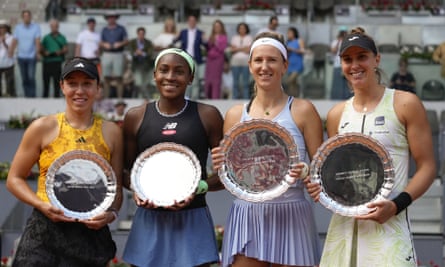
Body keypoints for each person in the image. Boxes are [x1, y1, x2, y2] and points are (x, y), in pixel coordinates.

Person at [305, 27, 436, 267]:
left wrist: (397, 205)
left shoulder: (405, 103)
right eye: (347, 59)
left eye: (361, 57)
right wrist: (322, 187)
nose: (354, 65)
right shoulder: (336, 115)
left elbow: (427, 166)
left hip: (390, 226)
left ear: (377, 59)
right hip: (343, 230)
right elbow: (338, 176)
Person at [211, 32, 323, 267]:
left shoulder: (303, 110)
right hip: (247, 215)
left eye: (272, 60)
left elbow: (321, 172)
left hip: (292, 214)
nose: (265, 66)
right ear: (250, 66)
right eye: (258, 60)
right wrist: (223, 167)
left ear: (285, 65)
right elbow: (233, 179)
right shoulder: (234, 115)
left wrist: (307, 172)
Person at [6, 57, 123, 266]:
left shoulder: (112, 132)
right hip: (44, 232)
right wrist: (41, 205)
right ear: (62, 86)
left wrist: (111, 214)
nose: (79, 91)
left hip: (90, 237)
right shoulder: (42, 127)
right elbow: (14, 178)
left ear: (98, 88)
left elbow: (116, 190)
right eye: (72, 83)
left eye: (87, 83)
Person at [121, 48, 224, 267]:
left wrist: (199, 187)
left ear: (190, 78)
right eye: (164, 70)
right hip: (149, 219)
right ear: (154, 75)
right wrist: (139, 190)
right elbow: (125, 172)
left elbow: (228, 175)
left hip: (193, 218)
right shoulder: (134, 116)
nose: (170, 77)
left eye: (179, 71)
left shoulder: (209, 115)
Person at [171, 15, 207, 100]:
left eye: (193, 21)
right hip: (185, 58)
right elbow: (174, 41)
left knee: (195, 79)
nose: (192, 23)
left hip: (196, 58)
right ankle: (186, 97)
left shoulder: (200, 33)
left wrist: (205, 40)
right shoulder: (183, 32)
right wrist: (176, 36)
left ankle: (194, 98)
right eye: (190, 21)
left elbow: (205, 45)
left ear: (196, 22)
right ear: (188, 22)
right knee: (185, 78)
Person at [11, 10, 41, 97]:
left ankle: (32, 96)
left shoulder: (36, 27)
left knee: (31, 77)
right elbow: (15, 40)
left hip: (31, 57)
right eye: (25, 16)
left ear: (30, 17)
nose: (27, 18)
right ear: (22, 17)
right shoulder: (18, 28)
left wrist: (38, 52)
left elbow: (37, 41)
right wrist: (11, 51)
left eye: (28, 16)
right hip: (21, 56)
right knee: (24, 78)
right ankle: (27, 96)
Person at [100, 11, 128, 98]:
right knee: (106, 77)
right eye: (109, 17)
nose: (111, 19)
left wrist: (120, 44)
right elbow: (100, 42)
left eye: (113, 17)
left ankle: (120, 98)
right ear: (107, 19)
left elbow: (126, 40)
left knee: (119, 77)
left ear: (116, 18)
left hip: (118, 53)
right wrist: (104, 44)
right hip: (107, 53)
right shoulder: (104, 30)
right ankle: (106, 97)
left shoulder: (121, 28)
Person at [40, 18, 68, 98]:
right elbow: (41, 48)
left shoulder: (62, 37)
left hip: (57, 61)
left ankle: (56, 98)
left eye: (55, 26)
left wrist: (60, 52)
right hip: (47, 61)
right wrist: (45, 52)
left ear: (58, 27)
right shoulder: (46, 37)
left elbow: (66, 49)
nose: (54, 28)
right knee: (46, 82)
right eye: (52, 26)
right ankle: (44, 98)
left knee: (57, 82)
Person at [128, 27, 155, 99]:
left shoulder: (148, 42)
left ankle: (144, 97)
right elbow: (130, 51)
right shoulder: (132, 42)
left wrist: (142, 53)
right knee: (138, 83)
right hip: (136, 65)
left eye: (142, 34)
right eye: (139, 34)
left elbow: (150, 53)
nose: (141, 35)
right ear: (137, 34)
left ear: (144, 34)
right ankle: (142, 96)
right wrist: (136, 53)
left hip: (146, 66)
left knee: (145, 83)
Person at [204, 19, 227, 99]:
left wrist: (215, 43)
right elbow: (208, 48)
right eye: (215, 26)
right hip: (210, 60)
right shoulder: (211, 36)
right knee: (208, 79)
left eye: (218, 26)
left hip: (218, 60)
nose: (217, 28)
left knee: (216, 81)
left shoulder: (224, 37)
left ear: (221, 27)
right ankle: (207, 97)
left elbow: (222, 49)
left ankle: (215, 98)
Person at [229, 22, 252, 99]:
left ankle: (246, 98)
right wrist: (243, 48)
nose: (242, 30)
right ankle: (234, 98)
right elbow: (232, 50)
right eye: (240, 28)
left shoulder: (249, 38)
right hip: (235, 62)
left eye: (243, 28)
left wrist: (237, 48)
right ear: (238, 29)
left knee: (245, 82)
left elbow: (249, 50)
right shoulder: (234, 37)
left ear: (246, 29)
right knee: (235, 82)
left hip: (246, 62)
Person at [330, 27, 352, 100]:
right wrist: (339, 42)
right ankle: (337, 97)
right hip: (337, 64)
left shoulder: (349, 41)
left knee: (347, 82)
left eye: (344, 33)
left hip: (347, 64)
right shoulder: (335, 42)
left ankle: (347, 97)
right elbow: (333, 51)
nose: (343, 34)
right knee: (337, 82)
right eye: (342, 33)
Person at [285, 26, 305, 97]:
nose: (288, 34)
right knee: (293, 83)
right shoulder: (287, 42)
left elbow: (303, 51)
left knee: (289, 81)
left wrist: (292, 49)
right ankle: (294, 97)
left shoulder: (299, 40)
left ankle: (294, 96)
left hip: (297, 64)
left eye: (290, 33)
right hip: (290, 64)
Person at [0, 19, 15, 97]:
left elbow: (10, 51)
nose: (1, 29)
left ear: (6, 28)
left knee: (9, 82)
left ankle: (10, 95)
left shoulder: (11, 37)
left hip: (8, 63)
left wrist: (4, 42)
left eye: (3, 27)